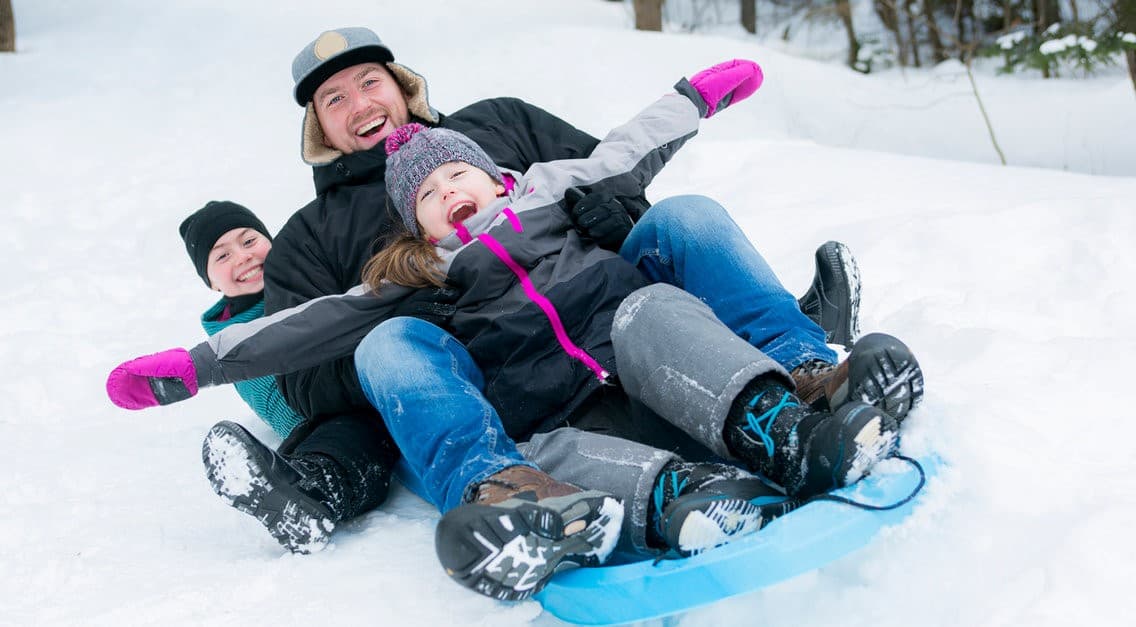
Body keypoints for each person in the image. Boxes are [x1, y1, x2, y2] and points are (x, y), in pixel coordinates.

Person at [107, 57, 921, 600]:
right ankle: (642, 501)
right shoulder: (346, 249)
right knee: (409, 355)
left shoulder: (523, 158)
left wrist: (694, 100)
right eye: (333, 99)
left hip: (647, 346)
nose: (448, 191)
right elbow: (303, 338)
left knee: (672, 251)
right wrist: (195, 364)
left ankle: (798, 393)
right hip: (530, 396)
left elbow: (624, 153)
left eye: (366, 82)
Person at [176, 201, 305, 440]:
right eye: (223, 256)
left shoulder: (313, 274)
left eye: (249, 242)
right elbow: (286, 414)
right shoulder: (232, 344)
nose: (243, 257)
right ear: (211, 282)